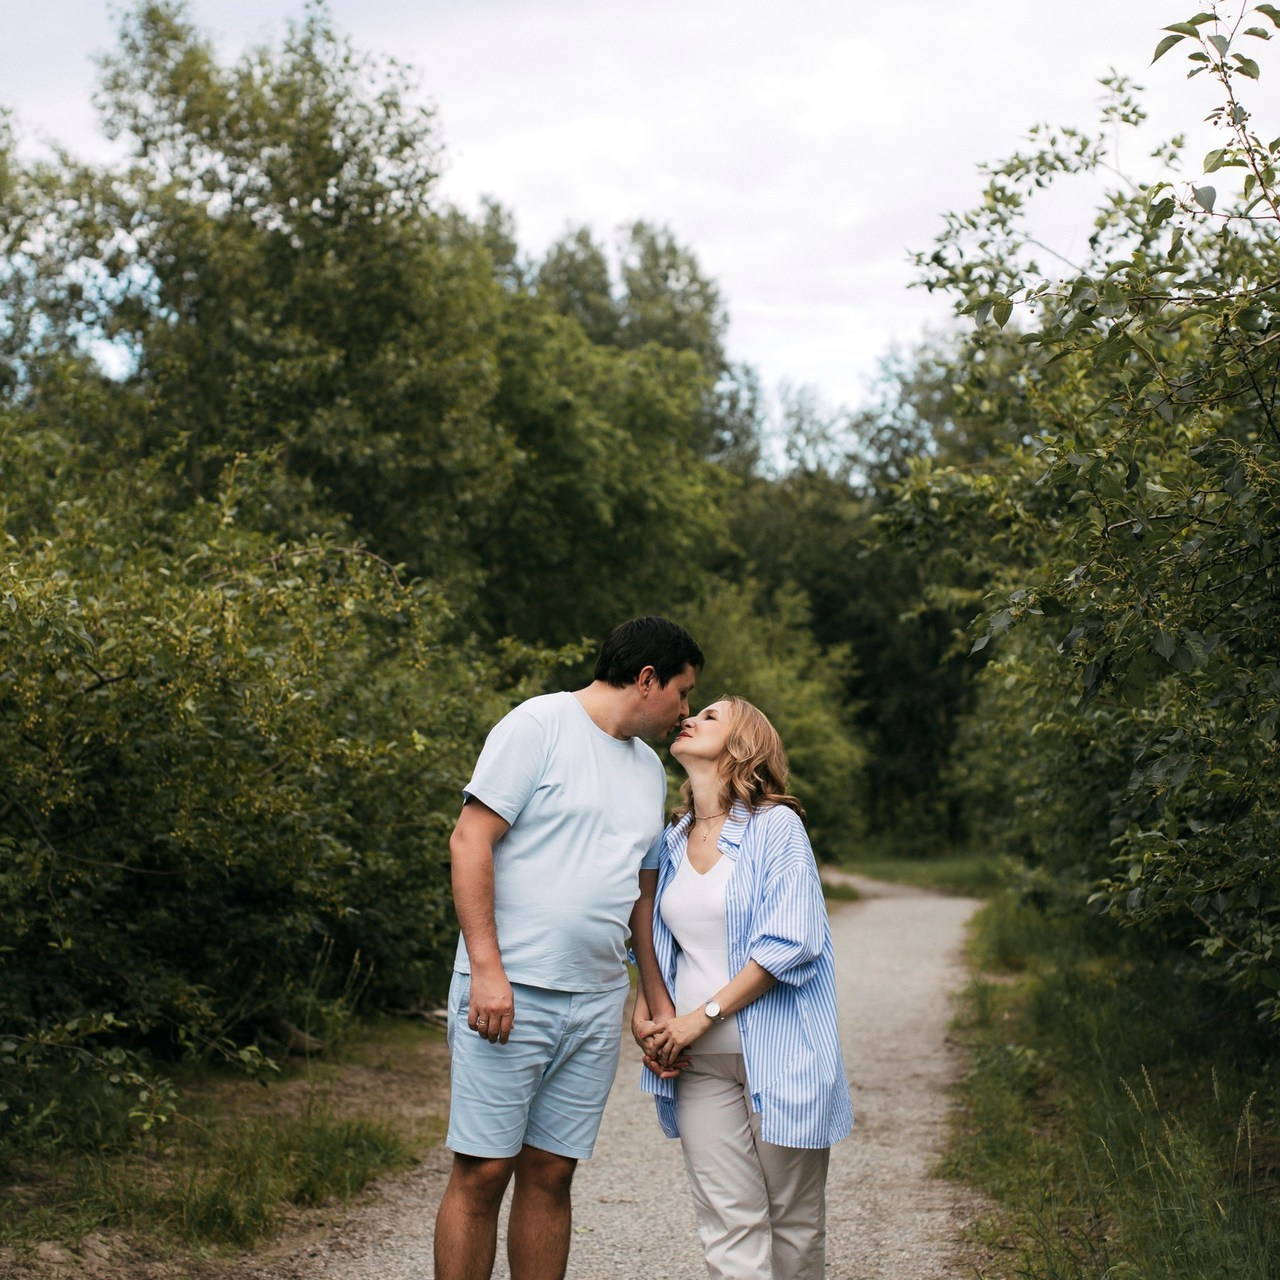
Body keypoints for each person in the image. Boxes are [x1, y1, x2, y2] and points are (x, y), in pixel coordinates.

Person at [433, 616, 703, 1280]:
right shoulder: (537, 726)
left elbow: (641, 896)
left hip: (594, 1001)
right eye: (683, 693)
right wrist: (489, 972)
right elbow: (470, 842)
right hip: (510, 993)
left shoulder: (647, 770)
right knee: (485, 1170)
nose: (685, 711)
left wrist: (652, 996)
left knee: (552, 1173)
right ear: (647, 680)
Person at [634, 696, 854, 1280]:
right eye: (693, 712)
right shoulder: (671, 838)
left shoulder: (776, 827)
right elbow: (653, 936)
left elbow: (793, 941)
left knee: (795, 1222)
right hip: (697, 1063)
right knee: (728, 1226)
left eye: (710, 718)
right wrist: (650, 1012)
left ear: (742, 746)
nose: (691, 719)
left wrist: (700, 1015)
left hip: (779, 1053)